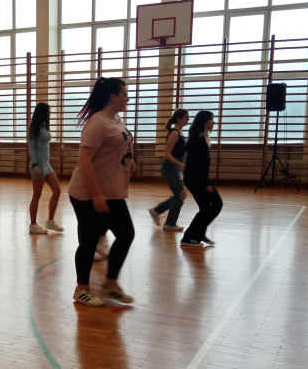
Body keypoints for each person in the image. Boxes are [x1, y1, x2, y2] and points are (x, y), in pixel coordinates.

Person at [67, 77, 136, 307]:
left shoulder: (116, 119)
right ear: (113, 97)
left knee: (126, 234)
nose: (127, 98)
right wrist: (96, 195)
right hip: (88, 193)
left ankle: (110, 284)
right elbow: (85, 161)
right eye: (124, 94)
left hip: (111, 191)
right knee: (88, 242)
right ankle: (81, 289)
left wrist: (128, 160)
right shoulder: (97, 124)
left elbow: (117, 146)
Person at [180, 111, 222, 248]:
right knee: (215, 205)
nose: (213, 122)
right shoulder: (197, 140)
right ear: (204, 121)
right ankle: (190, 237)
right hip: (195, 179)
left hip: (198, 178)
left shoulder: (202, 138)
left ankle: (198, 232)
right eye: (211, 119)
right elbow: (194, 166)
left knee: (208, 207)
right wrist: (205, 183)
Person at [149, 109, 189, 231]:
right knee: (180, 195)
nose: (188, 119)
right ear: (178, 118)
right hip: (170, 167)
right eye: (186, 117)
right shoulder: (174, 133)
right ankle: (169, 224)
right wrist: (179, 164)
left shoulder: (181, 133)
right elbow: (167, 154)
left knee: (181, 195)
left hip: (175, 166)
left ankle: (157, 211)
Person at [28, 103, 63, 234]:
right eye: (48, 112)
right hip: (38, 165)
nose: (50, 114)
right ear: (42, 112)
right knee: (37, 195)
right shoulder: (34, 128)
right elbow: (31, 149)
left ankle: (50, 221)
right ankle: (33, 225)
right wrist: (35, 164)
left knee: (57, 191)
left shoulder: (43, 126)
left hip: (46, 165)